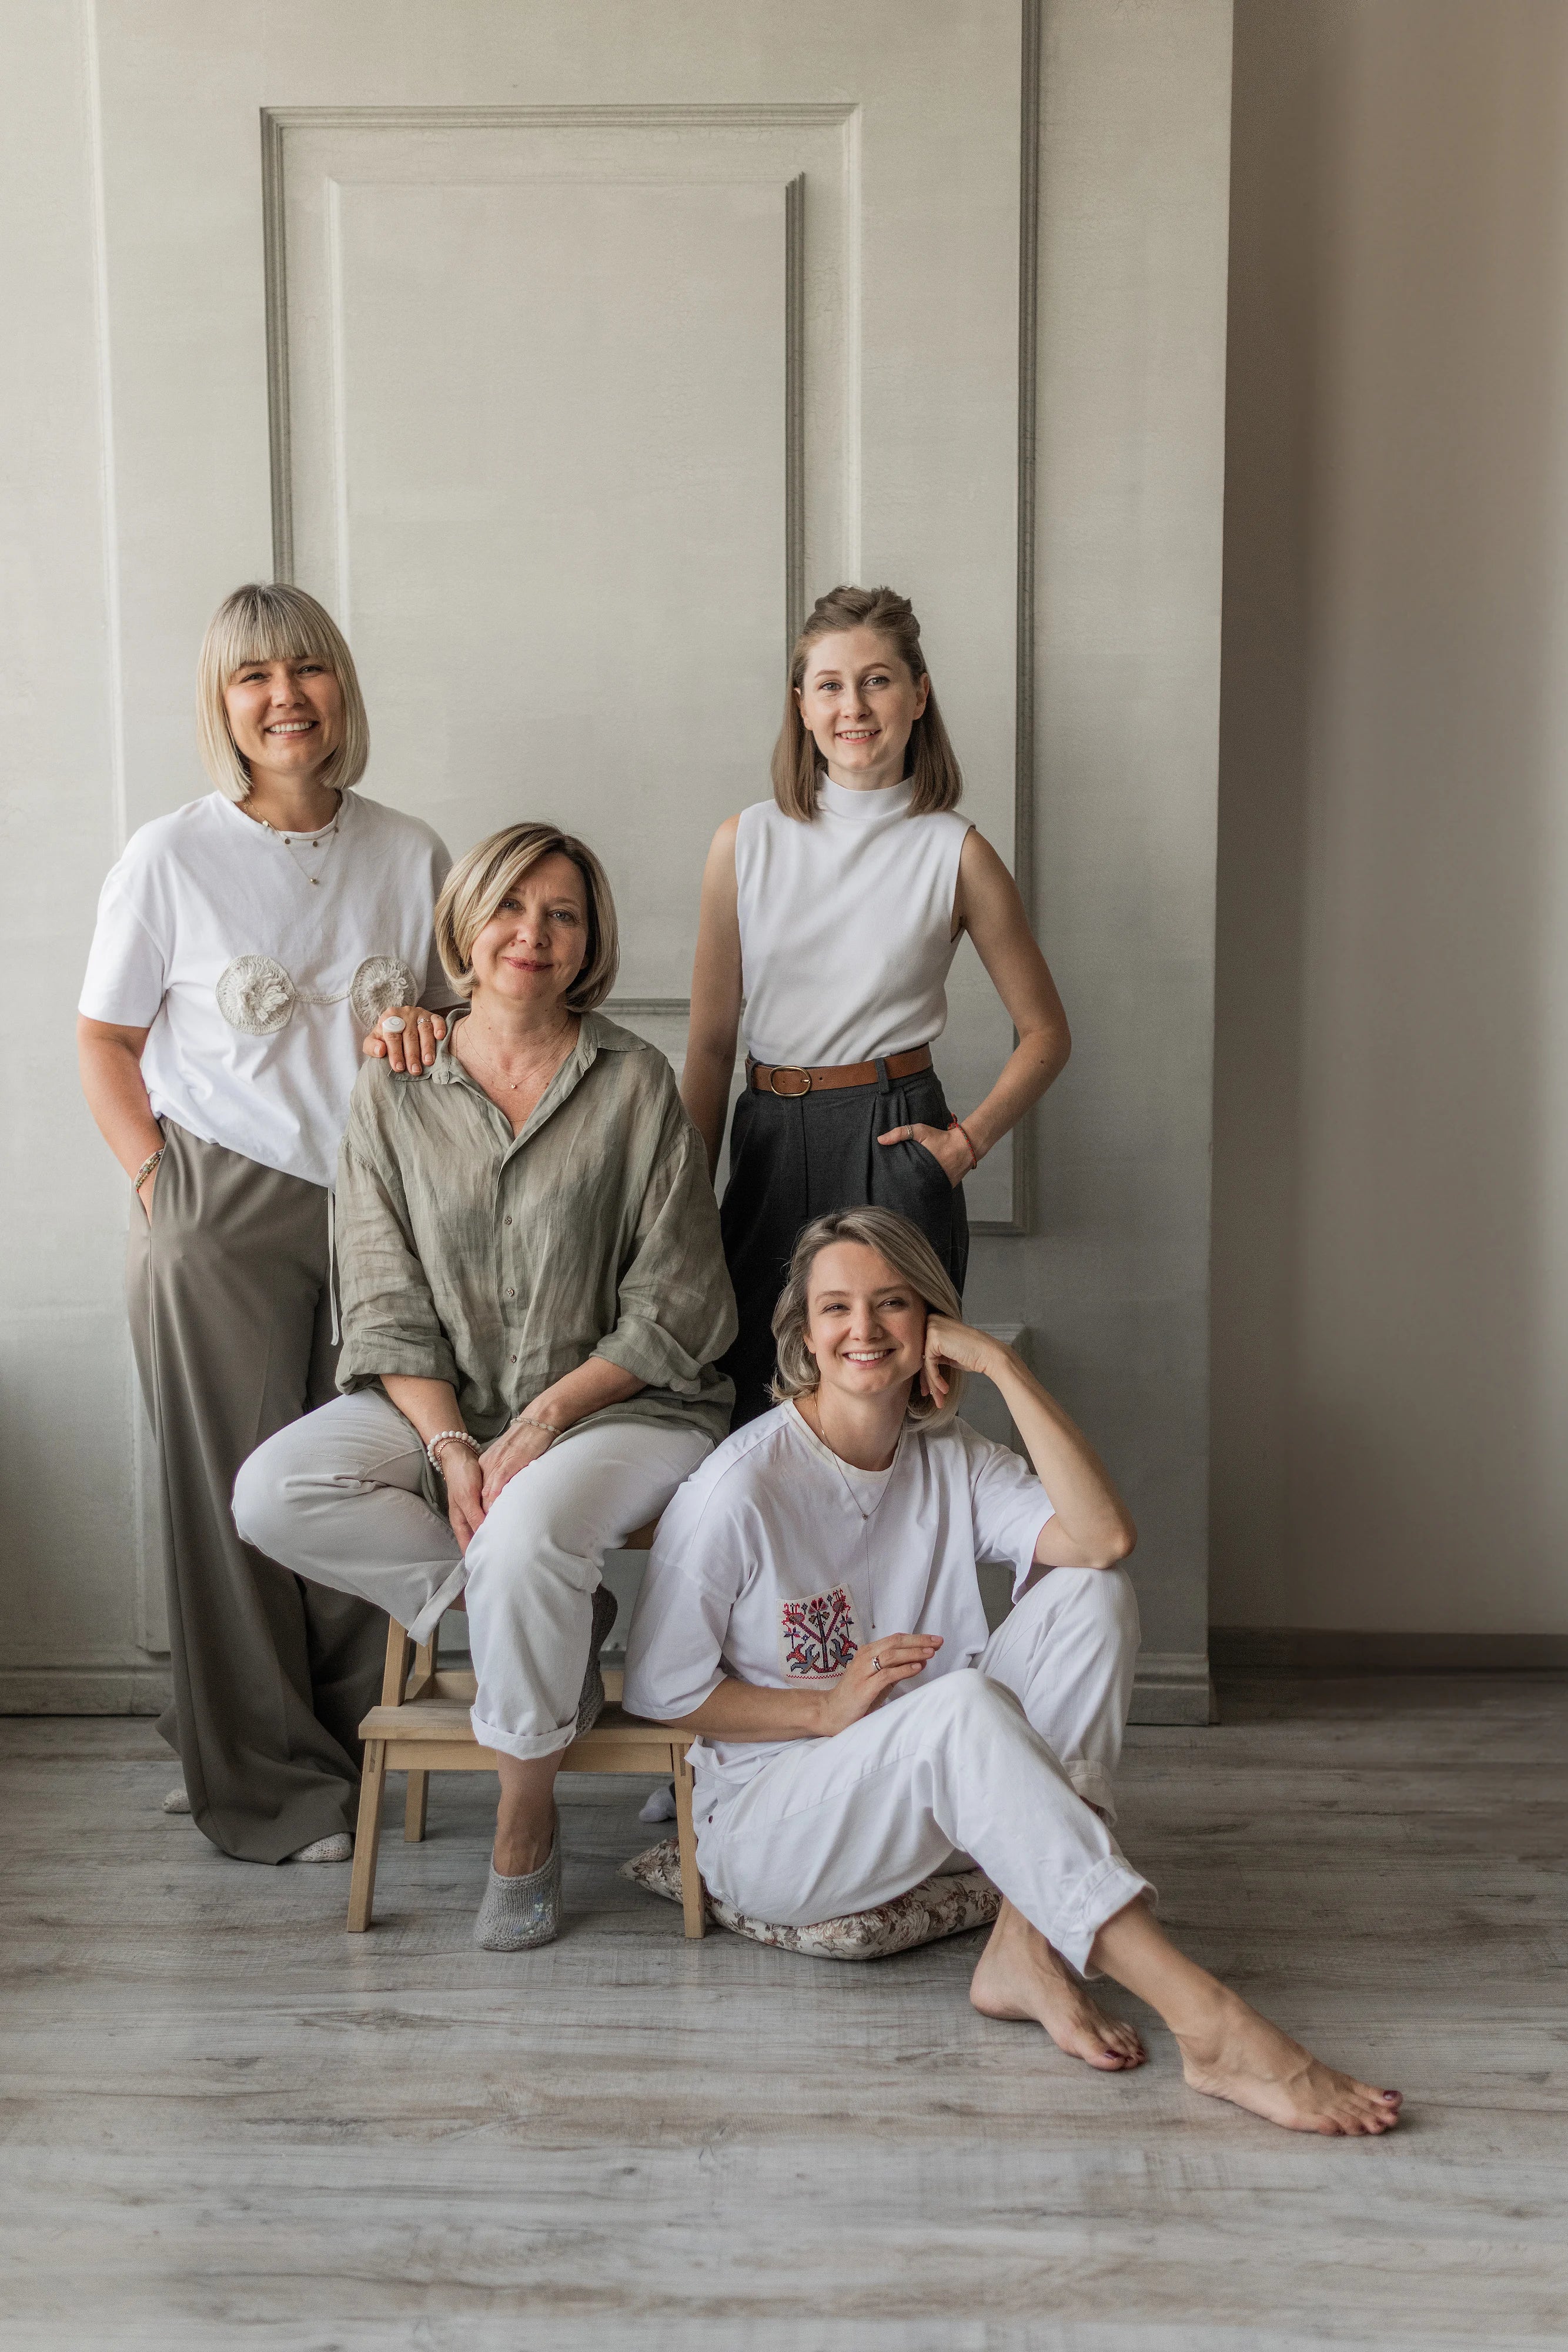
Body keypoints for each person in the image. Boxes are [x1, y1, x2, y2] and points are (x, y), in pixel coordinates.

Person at [624, 1208, 1403, 2137]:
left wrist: (1002, 1365)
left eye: (892, 1304)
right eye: (835, 1308)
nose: (862, 1330)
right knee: (959, 1705)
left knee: (1094, 1594)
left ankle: (1026, 1948)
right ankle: (1212, 2021)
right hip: (777, 1830)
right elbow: (661, 1694)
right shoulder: (737, 1490)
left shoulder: (951, 1460)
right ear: (802, 1332)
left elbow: (1103, 1538)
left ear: (931, 1325)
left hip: (936, 1793)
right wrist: (824, 1711)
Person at [233, 822, 737, 1950]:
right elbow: (380, 1288)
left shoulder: (635, 1083)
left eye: (562, 914)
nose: (533, 934)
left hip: (629, 1404)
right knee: (274, 1491)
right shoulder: (395, 1084)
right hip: (444, 1395)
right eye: (511, 907)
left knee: (524, 1536)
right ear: (465, 924)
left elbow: (682, 1304)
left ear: (590, 941)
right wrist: (456, 1445)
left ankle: (527, 1817)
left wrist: (548, 1419)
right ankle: (556, 1615)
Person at [77, 582, 453, 1865]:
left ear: (339, 688)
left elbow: (447, 1028)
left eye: (305, 670)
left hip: (376, 1205)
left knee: (355, 1478)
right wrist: (155, 1187)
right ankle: (261, 1785)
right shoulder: (169, 852)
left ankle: (363, 1749)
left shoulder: (410, 851)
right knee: (226, 1501)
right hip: (219, 1209)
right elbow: (105, 1038)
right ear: (222, 704)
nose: (282, 696)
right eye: (252, 677)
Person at [681, 583, 1072, 1425]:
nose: (853, 706)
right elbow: (711, 1045)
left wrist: (963, 1146)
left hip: (896, 1135)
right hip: (768, 1138)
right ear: (801, 703)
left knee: (888, 1406)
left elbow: (1046, 1033)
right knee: (755, 1401)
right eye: (829, 684)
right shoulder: (744, 843)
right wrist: (684, 1198)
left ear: (918, 694)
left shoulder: (954, 851)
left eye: (878, 680)